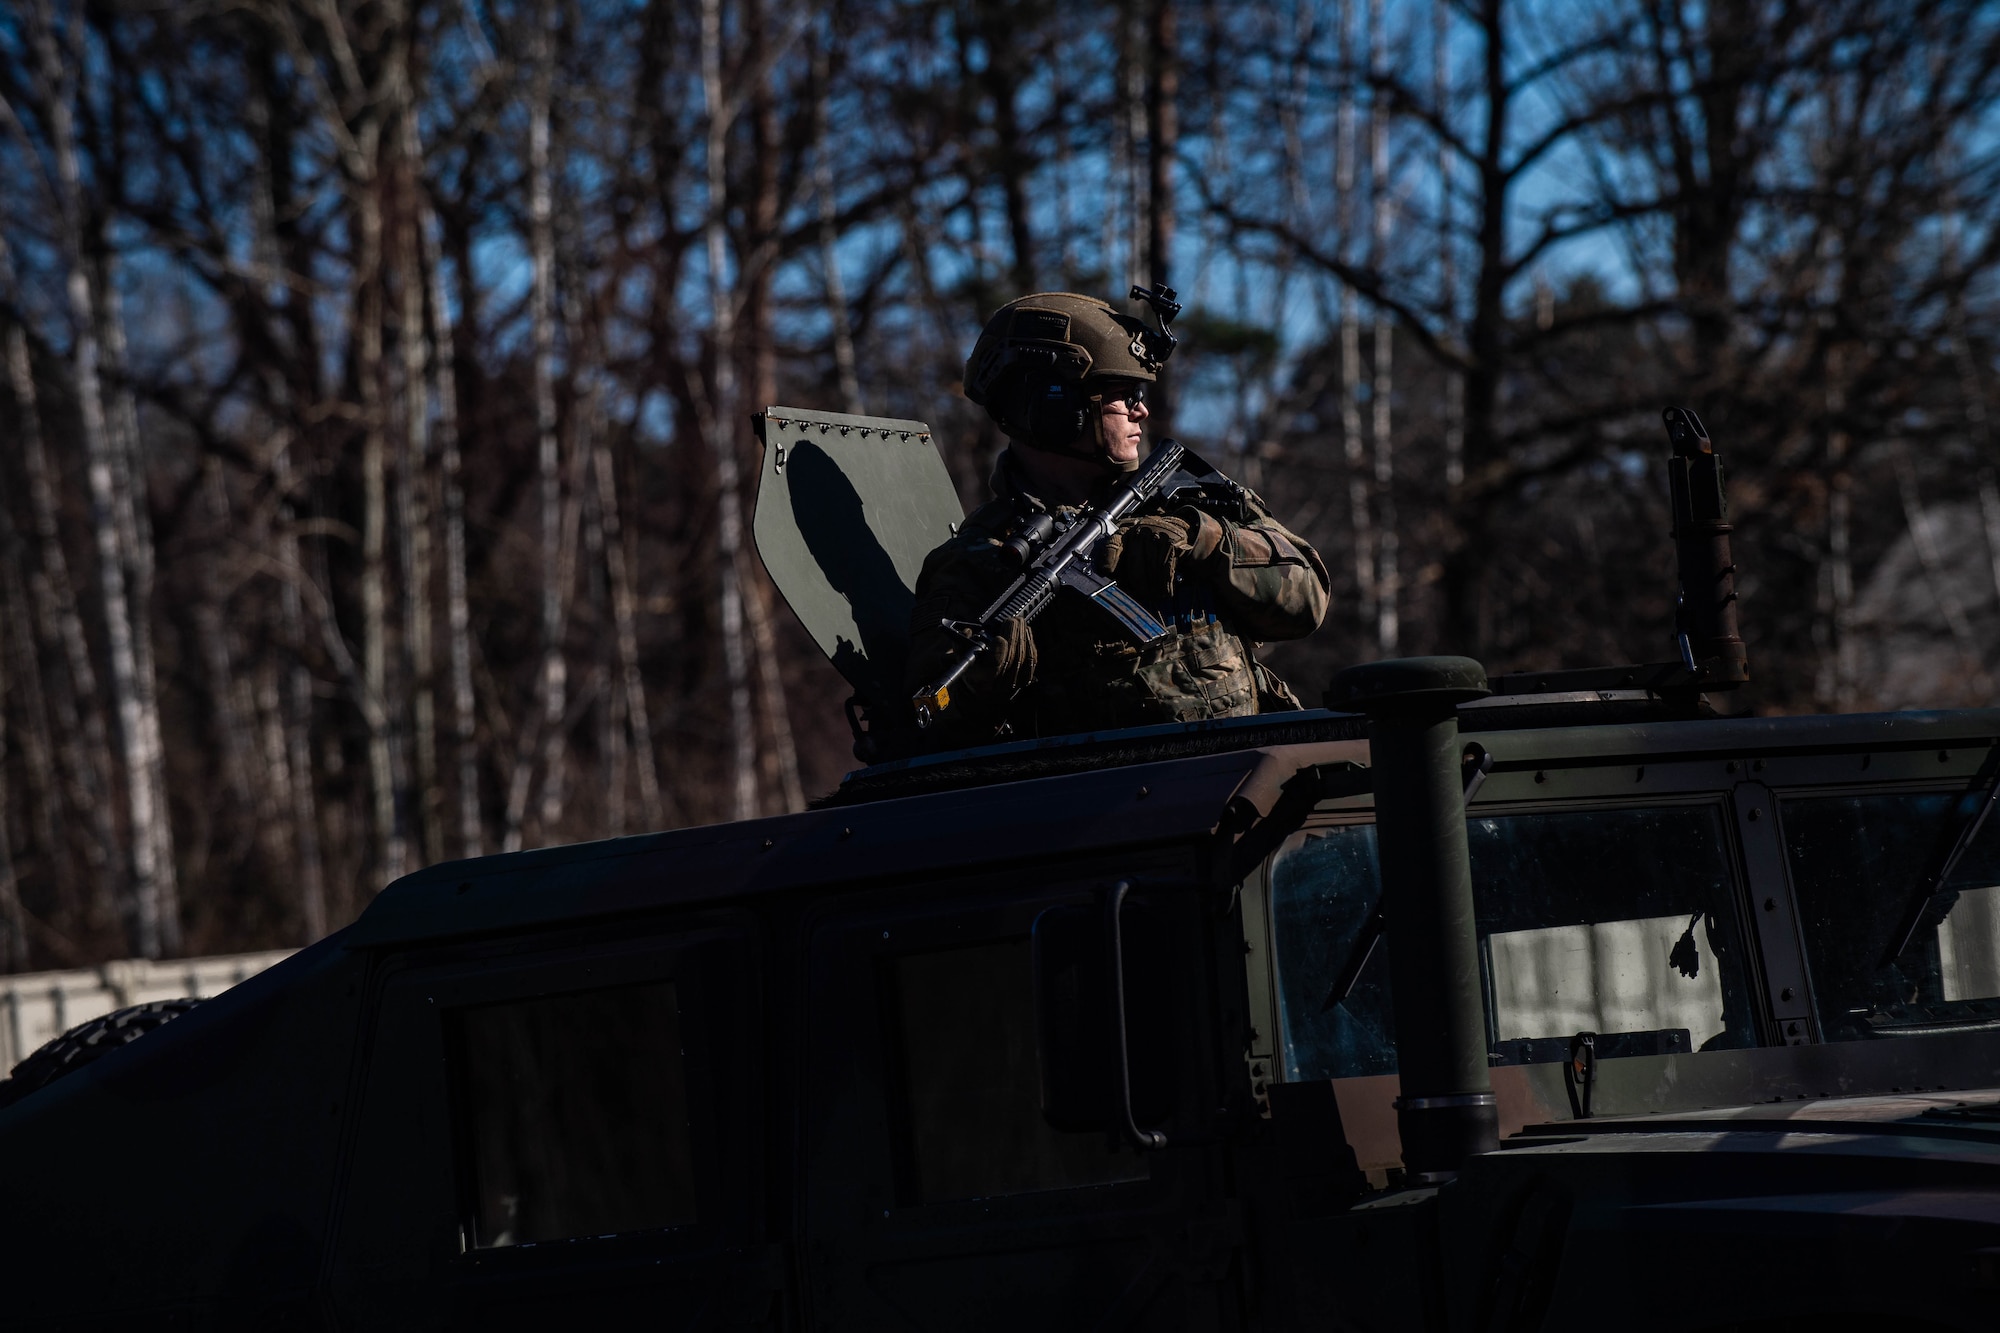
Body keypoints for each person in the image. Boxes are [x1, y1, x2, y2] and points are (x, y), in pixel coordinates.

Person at [905, 291, 1329, 751]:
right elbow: (932, 724)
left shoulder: (1186, 500)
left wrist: (1205, 541)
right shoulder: (978, 562)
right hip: (1111, 801)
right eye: (1122, 395)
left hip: (1249, 774)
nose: (1140, 410)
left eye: (1139, 394)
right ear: (1053, 405)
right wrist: (988, 683)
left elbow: (1309, 601)